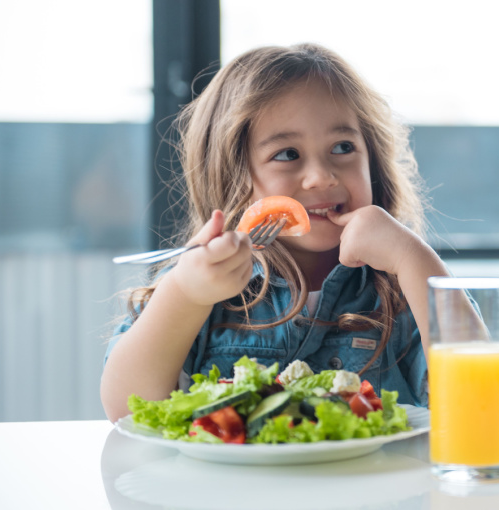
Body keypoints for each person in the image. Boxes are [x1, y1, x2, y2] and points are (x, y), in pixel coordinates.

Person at [100, 43, 450, 423]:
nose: (321, 177)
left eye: (343, 147)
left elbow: (477, 398)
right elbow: (127, 409)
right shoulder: (199, 285)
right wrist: (184, 294)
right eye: (287, 154)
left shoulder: (402, 288)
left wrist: (416, 261)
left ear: (374, 163)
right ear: (232, 176)